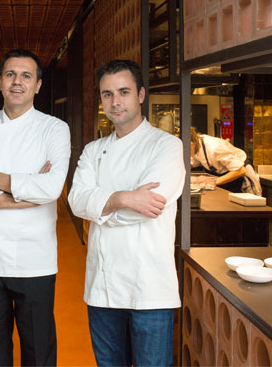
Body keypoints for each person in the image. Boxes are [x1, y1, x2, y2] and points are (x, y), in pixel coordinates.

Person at [68, 59, 185, 366]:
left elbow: (152, 205)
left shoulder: (167, 145)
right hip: (103, 288)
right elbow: (77, 201)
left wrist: (100, 209)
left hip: (150, 287)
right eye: (107, 94)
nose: (115, 102)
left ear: (141, 95)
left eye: (123, 92)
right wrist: (123, 197)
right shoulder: (93, 150)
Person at [0, 49, 71, 366]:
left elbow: (51, 187)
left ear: (37, 85)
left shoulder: (55, 129)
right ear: (0, 81)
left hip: (35, 258)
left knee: (39, 352)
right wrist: (27, 189)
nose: (17, 82)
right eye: (10, 74)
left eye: (26, 76)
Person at [190, 127, 260, 194]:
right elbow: (194, 162)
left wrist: (213, 181)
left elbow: (241, 170)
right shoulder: (196, 145)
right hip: (221, 175)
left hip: (237, 176)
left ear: (191, 144)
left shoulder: (215, 148)